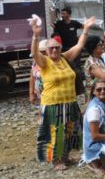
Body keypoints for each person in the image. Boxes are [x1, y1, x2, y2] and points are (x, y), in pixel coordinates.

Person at [30, 15, 96, 170]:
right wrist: (35, 35)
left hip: (69, 101)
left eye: (57, 47)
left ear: (61, 48)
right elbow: (34, 53)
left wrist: (85, 29)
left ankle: (65, 156)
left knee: (70, 130)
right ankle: (57, 160)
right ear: (46, 51)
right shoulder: (45, 62)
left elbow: (79, 46)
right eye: (51, 48)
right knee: (56, 131)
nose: (54, 49)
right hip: (53, 103)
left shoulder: (65, 58)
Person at [83, 35, 105, 101]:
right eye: (100, 45)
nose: (103, 46)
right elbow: (104, 77)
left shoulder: (99, 59)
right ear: (93, 47)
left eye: (102, 44)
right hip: (97, 96)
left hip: (104, 93)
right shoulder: (91, 62)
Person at [29, 39, 47, 105]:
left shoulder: (51, 63)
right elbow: (32, 78)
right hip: (40, 96)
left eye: (42, 52)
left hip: (50, 96)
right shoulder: (35, 63)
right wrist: (31, 94)